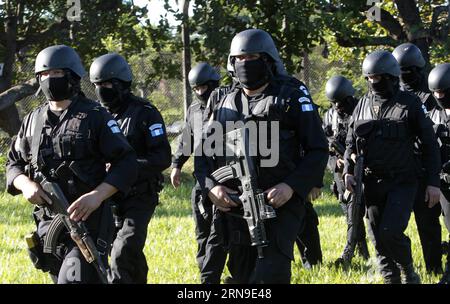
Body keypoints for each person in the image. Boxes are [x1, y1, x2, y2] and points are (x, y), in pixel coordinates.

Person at [198, 28, 328, 283]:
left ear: (267, 59)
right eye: (239, 59)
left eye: (252, 57)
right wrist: (212, 188)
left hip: (280, 204)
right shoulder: (225, 102)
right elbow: (203, 155)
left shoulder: (290, 95)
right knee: (243, 276)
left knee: (271, 274)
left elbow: (318, 149)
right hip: (235, 207)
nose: (245, 64)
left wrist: (291, 186)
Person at [6, 45, 138, 284]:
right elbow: (13, 162)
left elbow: (127, 162)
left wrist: (98, 195)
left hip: (88, 224)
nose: (48, 79)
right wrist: (25, 184)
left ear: (72, 76)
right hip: (48, 226)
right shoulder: (33, 120)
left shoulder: (95, 116)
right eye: (43, 75)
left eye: (55, 73)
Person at [343, 50, 441, 284]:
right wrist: (347, 169)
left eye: (378, 77)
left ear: (391, 76)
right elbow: (349, 141)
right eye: (369, 78)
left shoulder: (410, 103)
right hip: (371, 182)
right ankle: (390, 277)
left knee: (391, 232)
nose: (373, 82)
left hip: (403, 181)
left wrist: (433, 183)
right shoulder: (362, 105)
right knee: (377, 237)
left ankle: (408, 270)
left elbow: (430, 145)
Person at [89, 53, 171, 283]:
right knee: (126, 254)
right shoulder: (96, 115)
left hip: (139, 197)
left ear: (122, 83)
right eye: (97, 85)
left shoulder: (145, 112)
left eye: (106, 84)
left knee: (121, 254)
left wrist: (125, 169)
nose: (101, 89)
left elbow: (162, 157)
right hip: (108, 198)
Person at [170, 62, 227, 283]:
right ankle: (207, 273)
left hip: (227, 177)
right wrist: (177, 165)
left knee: (224, 231)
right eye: (196, 88)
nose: (201, 92)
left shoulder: (229, 103)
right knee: (202, 230)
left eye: (205, 87)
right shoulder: (194, 110)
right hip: (203, 178)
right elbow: (187, 139)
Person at [393, 43, 442, 274]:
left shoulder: (431, 94)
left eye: (408, 70)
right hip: (400, 167)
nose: (404, 76)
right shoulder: (393, 92)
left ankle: (433, 268)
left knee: (427, 222)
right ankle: (402, 268)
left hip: (424, 165)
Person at [323, 75, 369, 267]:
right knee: (350, 213)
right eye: (334, 103)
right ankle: (360, 251)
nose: (337, 107)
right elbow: (322, 147)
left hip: (365, 169)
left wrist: (355, 157)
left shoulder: (364, 110)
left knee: (363, 212)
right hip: (341, 173)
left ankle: (360, 250)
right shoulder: (328, 117)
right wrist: (336, 162)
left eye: (341, 103)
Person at [427, 63, 450, 284]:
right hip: (443, 184)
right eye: (436, 93)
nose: (439, 97)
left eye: (443, 92)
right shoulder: (433, 116)